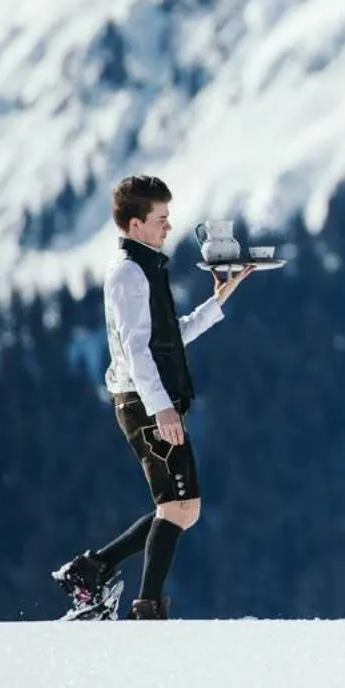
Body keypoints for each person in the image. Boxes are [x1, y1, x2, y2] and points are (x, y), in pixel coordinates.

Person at [51, 175, 253, 620]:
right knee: (178, 508)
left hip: (151, 399)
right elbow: (135, 348)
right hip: (143, 402)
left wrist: (218, 300)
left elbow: (167, 338)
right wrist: (161, 407)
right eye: (161, 218)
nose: (169, 225)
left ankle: (94, 570)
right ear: (137, 223)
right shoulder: (127, 274)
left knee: (183, 509)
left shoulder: (144, 268)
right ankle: (145, 606)